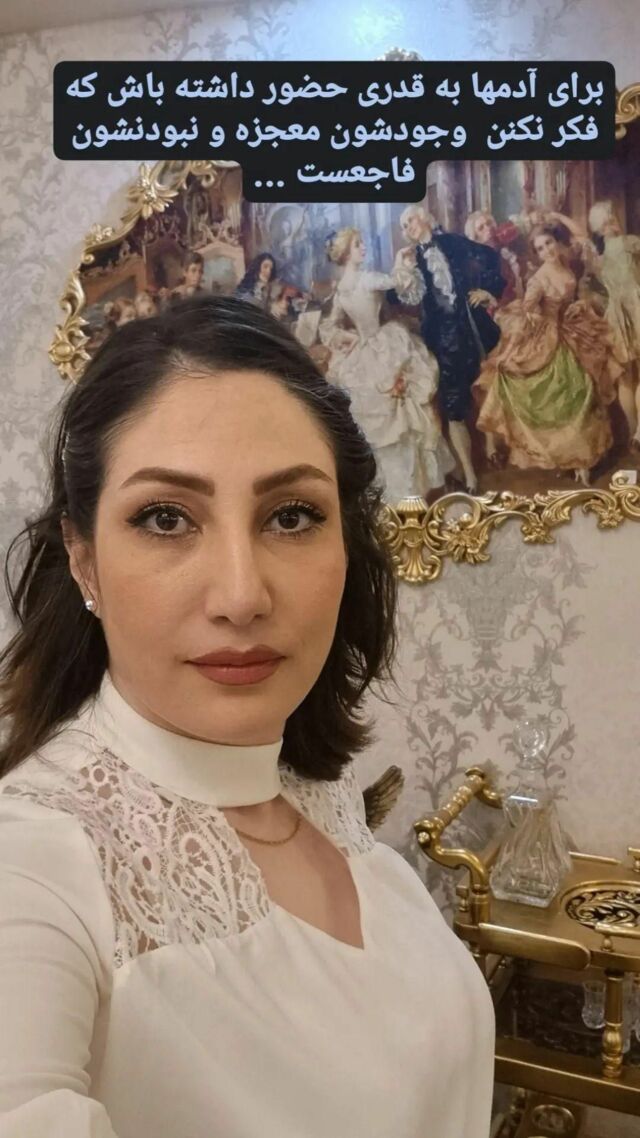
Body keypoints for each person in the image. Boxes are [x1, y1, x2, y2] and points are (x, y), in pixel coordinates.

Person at [0, 296, 494, 1138]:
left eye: (291, 516)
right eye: (165, 519)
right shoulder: (37, 862)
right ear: (84, 560)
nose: (241, 595)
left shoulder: (316, 799)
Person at [473, 225, 620, 482]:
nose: (547, 250)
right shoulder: (538, 279)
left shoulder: (565, 264)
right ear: (537, 254)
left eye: (549, 243)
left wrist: (578, 304)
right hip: (550, 339)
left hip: (571, 330)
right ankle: (572, 460)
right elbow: (528, 308)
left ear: (556, 242)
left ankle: (580, 462)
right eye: (540, 248)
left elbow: (575, 282)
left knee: (584, 394)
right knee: (563, 401)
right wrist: (538, 316)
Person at [320, 227, 455, 501]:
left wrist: (350, 337)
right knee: (402, 419)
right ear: (345, 253)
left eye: (362, 243)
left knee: (391, 418)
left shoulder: (341, 289)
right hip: (383, 348)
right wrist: (399, 262)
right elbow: (396, 282)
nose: (363, 247)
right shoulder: (367, 278)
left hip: (365, 352)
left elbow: (330, 326)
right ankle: (405, 491)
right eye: (357, 244)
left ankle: (398, 492)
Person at [390, 204, 506, 493]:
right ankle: (470, 476)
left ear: (424, 219)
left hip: (472, 329)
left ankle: (491, 445)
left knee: (484, 388)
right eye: (404, 226)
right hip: (442, 339)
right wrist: (401, 269)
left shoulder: (454, 242)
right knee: (454, 406)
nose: (408, 228)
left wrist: (488, 292)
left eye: (410, 221)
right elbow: (399, 297)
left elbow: (490, 257)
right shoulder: (412, 259)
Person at [588, 199, 640, 451]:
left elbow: (597, 291)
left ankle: (633, 432)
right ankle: (639, 432)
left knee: (626, 379)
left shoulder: (597, 259)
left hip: (615, 317)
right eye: (612, 217)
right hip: (636, 309)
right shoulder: (630, 243)